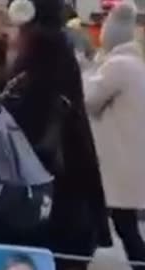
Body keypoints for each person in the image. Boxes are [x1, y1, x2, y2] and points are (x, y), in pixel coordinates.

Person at [0, 1, 112, 269]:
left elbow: (22, 135)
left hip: (43, 207)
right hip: (68, 207)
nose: (10, 34)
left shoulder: (37, 65)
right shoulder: (56, 58)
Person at [84, 2, 145, 269]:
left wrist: (90, 66)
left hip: (114, 160)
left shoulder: (116, 65)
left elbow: (87, 99)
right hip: (126, 157)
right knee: (122, 224)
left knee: (119, 224)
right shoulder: (134, 63)